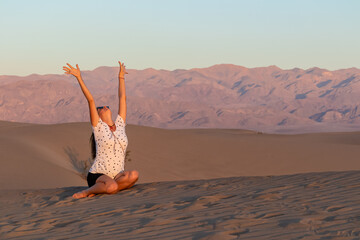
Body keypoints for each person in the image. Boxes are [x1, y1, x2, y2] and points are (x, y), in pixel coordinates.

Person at [62, 61, 139, 199]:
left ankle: (106, 189)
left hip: (117, 175)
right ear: (98, 115)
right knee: (113, 187)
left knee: (134, 175)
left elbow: (123, 98)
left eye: (106, 106)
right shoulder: (98, 127)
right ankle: (88, 191)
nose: (105, 107)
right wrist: (79, 77)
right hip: (98, 175)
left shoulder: (120, 124)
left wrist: (121, 77)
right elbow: (91, 100)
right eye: (101, 108)